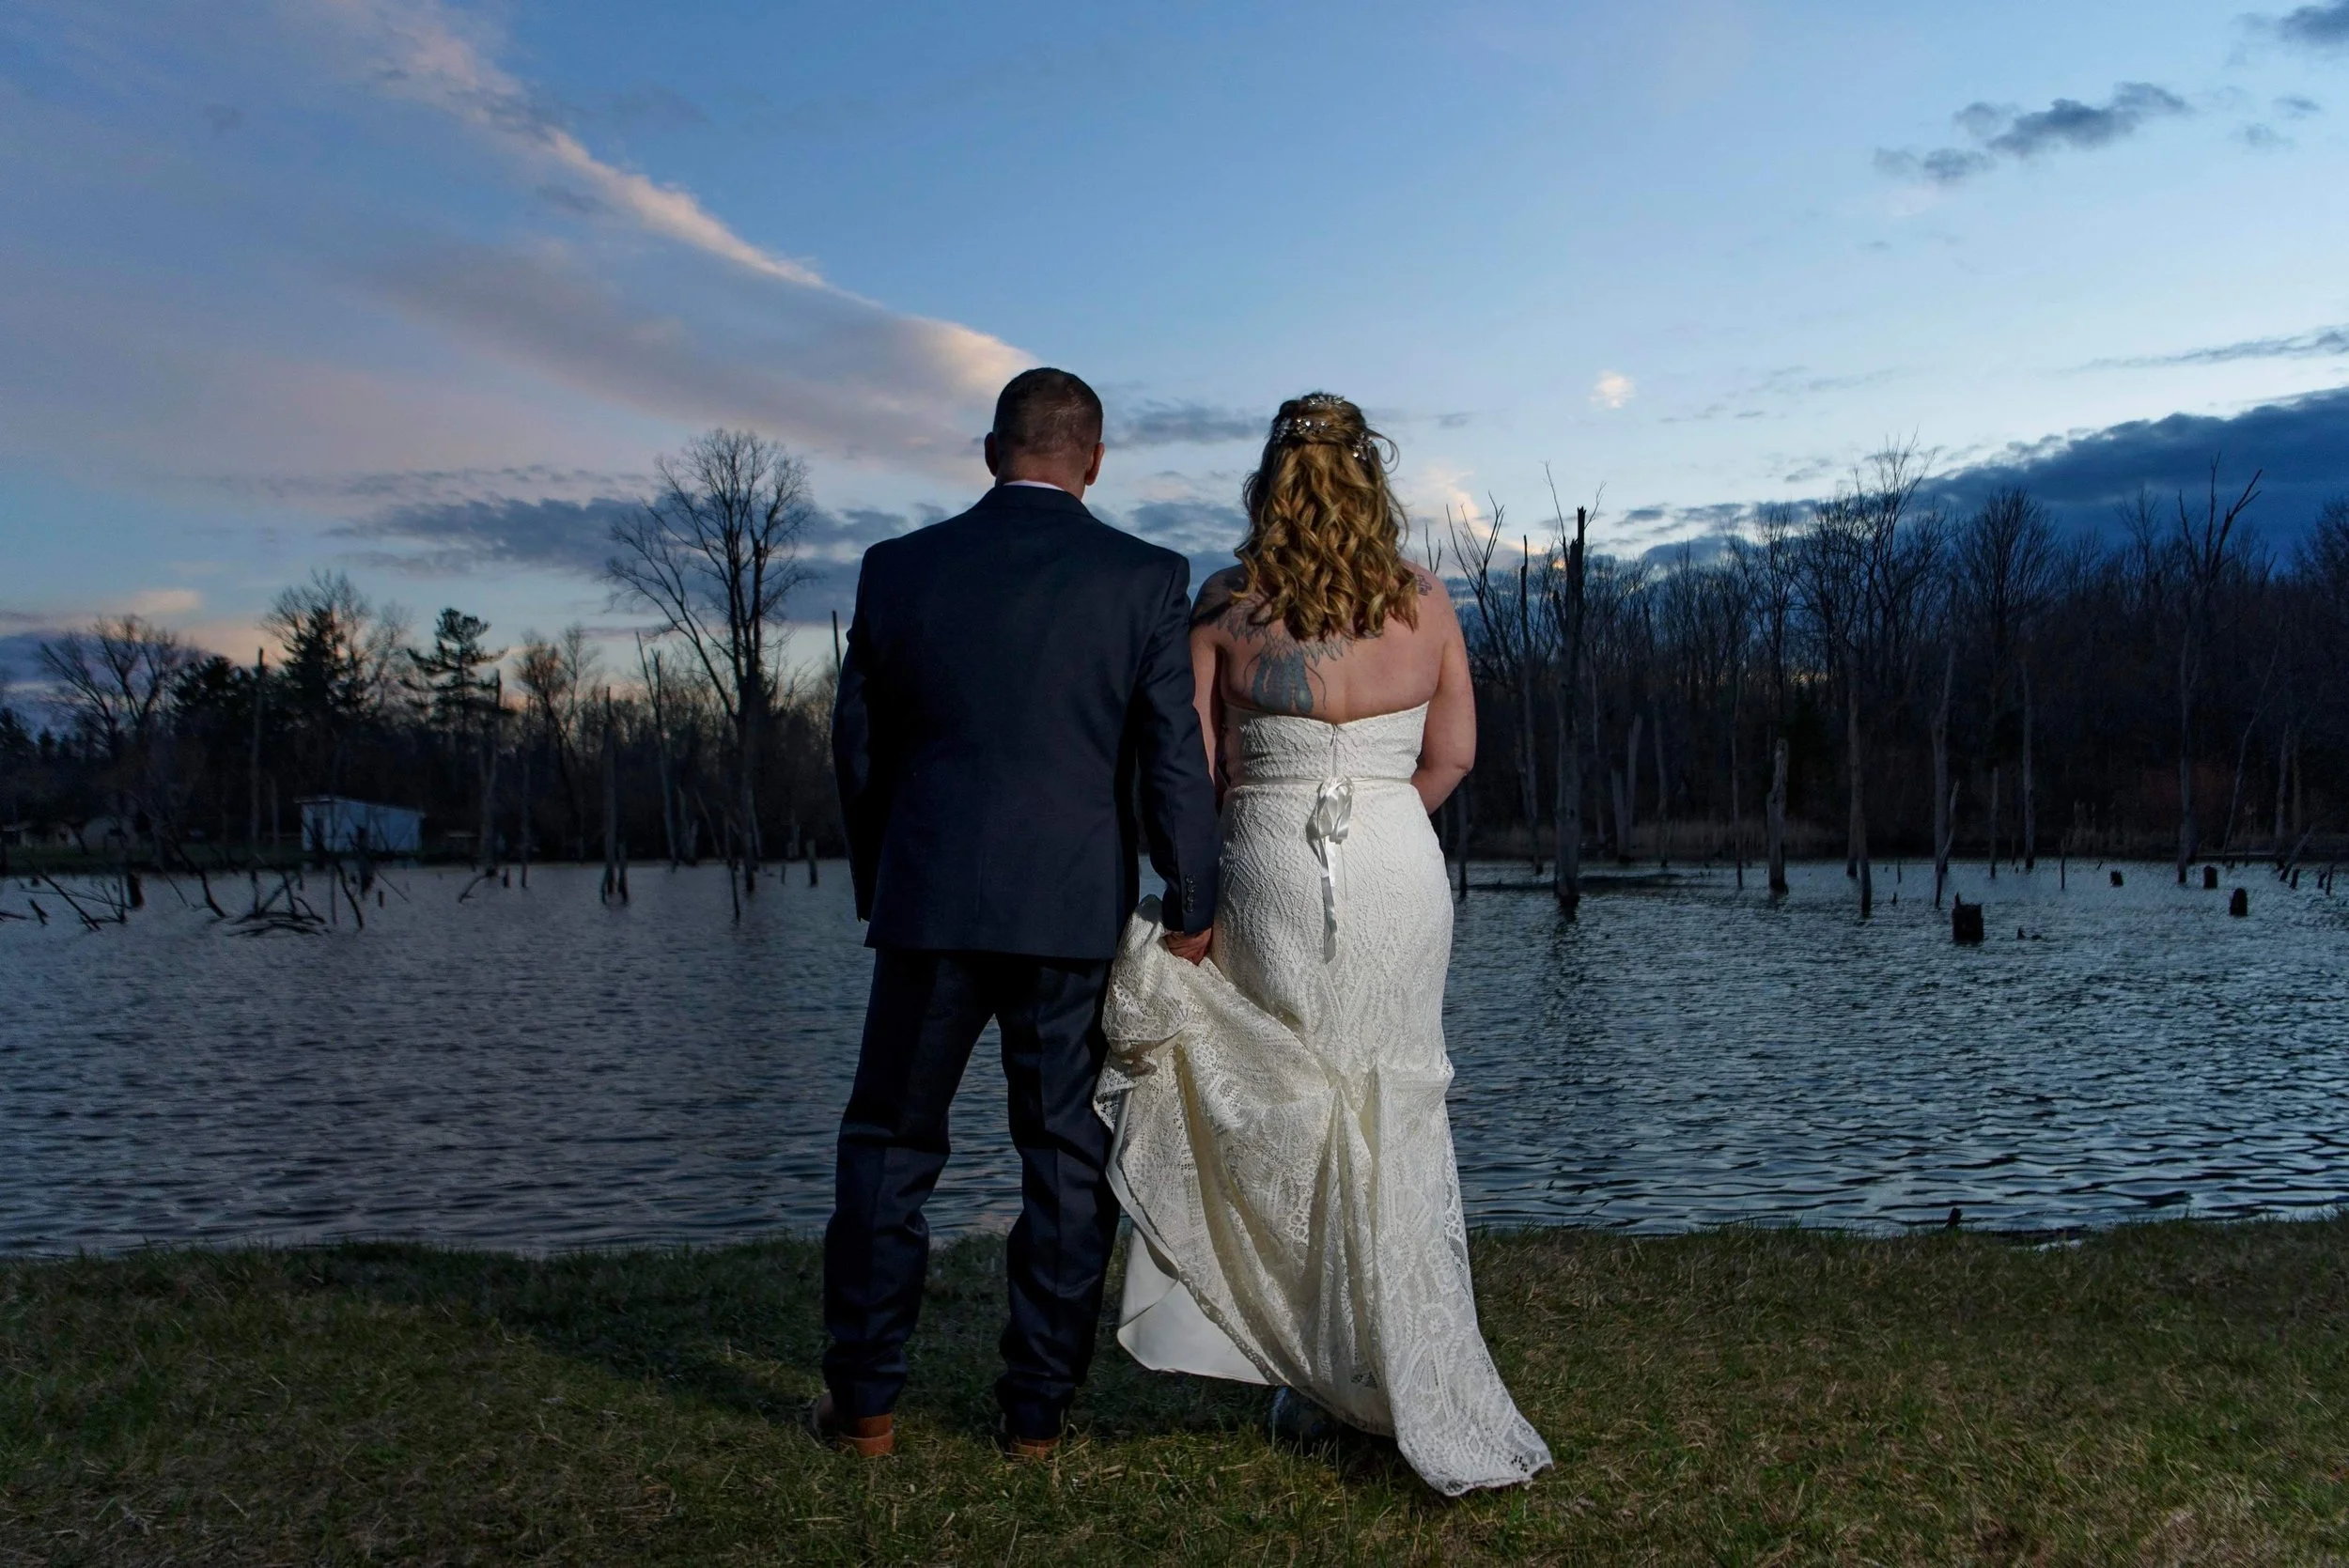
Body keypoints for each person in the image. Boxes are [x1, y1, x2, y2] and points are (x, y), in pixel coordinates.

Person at [1097, 392, 1552, 1495]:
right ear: (1371, 479)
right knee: (1394, 1094)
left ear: (1270, 481)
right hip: (1399, 866)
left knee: (1291, 1096)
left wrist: (1252, 837)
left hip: (1267, 866)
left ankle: (1313, 1370)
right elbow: (1452, 755)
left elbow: (1193, 784)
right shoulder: (1427, 604)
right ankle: (1389, 1361)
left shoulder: (1227, 607)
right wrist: (1384, 820)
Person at [818, 367, 1221, 1459]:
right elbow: (1170, 761)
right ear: (1092, 461)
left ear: (990, 449)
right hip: (1069, 915)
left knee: (887, 1151)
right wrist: (1194, 899)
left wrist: (882, 882)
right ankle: (1034, 1417)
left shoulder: (897, 569)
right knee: (1059, 1161)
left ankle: (864, 1407)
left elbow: (857, 751)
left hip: (929, 903)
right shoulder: (1143, 577)